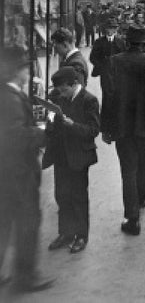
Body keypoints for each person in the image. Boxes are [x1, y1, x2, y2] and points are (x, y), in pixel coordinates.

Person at [0, 45, 54, 292]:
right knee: (27, 222)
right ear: (17, 71)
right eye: (25, 68)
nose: (28, 72)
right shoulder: (10, 99)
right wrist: (41, 131)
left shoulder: (8, 94)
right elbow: (14, 136)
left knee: (5, 222)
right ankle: (25, 277)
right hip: (18, 173)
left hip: (8, 173)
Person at [108, 24, 145, 236]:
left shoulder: (115, 61)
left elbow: (109, 97)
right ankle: (142, 198)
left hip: (123, 125)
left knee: (127, 170)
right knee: (143, 162)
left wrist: (107, 128)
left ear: (126, 41)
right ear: (143, 43)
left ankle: (132, 219)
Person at [42, 67, 100, 255]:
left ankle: (81, 235)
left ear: (74, 84)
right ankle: (66, 233)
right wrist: (50, 121)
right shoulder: (58, 98)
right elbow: (51, 121)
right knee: (62, 194)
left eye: (64, 90)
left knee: (78, 196)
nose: (61, 93)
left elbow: (93, 130)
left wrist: (72, 125)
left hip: (78, 156)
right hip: (60, 154)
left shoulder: (89, 100)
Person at [89, 16, 125, 137]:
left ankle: (116, 123)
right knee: (107, 97)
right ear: (105, 29)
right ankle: (106, 126)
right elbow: (92, 57)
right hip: (105, 74)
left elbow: (125, 57)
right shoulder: (99, 42)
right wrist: (102, 66)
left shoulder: (120, 42)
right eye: (108, 28)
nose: (110, 30)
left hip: (118, 74)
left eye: (113, 28)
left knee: (117, 96)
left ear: (115, 30)